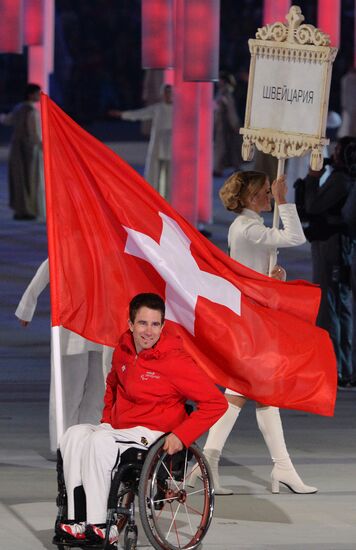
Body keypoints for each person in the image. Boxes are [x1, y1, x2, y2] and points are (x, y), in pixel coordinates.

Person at [58, 293, 228, 544]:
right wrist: (107, 419)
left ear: (163, 326)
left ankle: (102, 526)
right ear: (130, 324)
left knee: (99, 441)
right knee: (73, 435)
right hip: (120, 430)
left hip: (152, 434)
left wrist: (182, 435)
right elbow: (112, 385)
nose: (148, 331)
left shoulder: (175, 361)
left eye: (155, 324)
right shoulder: (123, 350)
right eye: (142, 323)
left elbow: (216, 403)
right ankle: (76, 522)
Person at [192, 171, 317, 495]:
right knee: (249, 393)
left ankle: (275, 467)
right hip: (251, 322)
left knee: (259, 395)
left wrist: (274, 279)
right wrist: (284, 200)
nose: (268, 196)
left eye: (269, 191)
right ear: (249, 197)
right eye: (264, 192)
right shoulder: (249, 229)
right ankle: (213, 464)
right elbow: (296, 238)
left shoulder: (246, 228)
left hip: (252, 318)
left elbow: (252, 276)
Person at [15, 259, 110, 452]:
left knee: (100, 387)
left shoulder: (106, 237)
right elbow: (46, 269)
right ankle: (64, 443)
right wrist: (27, 305)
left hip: (104, 323)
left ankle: (89, 440)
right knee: (68, 390)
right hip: (72, 325)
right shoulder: (67, 242)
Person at [295, 137, 355, 388]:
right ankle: (344, 367)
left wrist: (310, 178)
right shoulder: (346, 178)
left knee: (328, 306)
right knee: (339, 306)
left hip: (330, 246)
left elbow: (313, 205)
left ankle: (336, 368)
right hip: (341, 246)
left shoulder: (341, 179)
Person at [109, 84, 172, 200]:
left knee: (170, 176)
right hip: (158, 145)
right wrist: (122, 115)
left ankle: (169, 200)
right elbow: (140, 114)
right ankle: (156, 199)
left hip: (171, 147)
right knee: (156, 172)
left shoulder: (178, 110)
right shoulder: (158, 108)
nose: (168, 95)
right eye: (166, 92)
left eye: (170, 92)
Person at [0, 83, 45, 221]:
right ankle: (29, 210)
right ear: (31, 94)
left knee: (19, 178)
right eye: (38, 93)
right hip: (30, 149)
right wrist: (44, 147)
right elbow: (36, 134)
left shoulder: (19, 108)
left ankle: (21, 209)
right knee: (31, 179)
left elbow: (7, 120)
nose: (39, 96)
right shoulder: (32, 112)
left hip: (17, 147)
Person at [213, 71, 241, 177]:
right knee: (225, 146)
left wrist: (234, 124)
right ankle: (222, 167)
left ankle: (219, 168)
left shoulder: (226, 94)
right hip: (222, 124)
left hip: (225, 125)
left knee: (225, 146)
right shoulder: (222, 92)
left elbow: (230, 110)